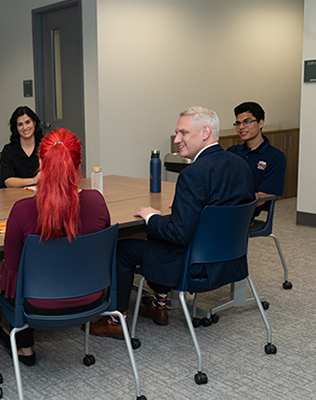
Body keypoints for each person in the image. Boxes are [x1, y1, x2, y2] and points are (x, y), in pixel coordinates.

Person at [90, 106, 255, 337]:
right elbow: (228, 206)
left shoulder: (193, 174)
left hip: (193, 266)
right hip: (230, 261)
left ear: (205, 132)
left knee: (122, 248)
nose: (177, 139)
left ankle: (116, 321)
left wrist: (151, 216)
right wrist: (189, 209)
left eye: (183, 133)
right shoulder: (240, 164)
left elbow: (179, 234)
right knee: (156, 235)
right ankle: (158, 306)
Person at [0, 128, 110, 365]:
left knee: (11, 276)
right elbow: (102, 255)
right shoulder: (97, 202)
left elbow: (12, 267)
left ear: (40, 162)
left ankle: (25, 348)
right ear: (78, 163)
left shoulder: (22, 210)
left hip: (38, 305)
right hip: (92, 299)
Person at [226, 101, 286, 202]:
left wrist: (233, 201)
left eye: (247, 121)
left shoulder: (275, 157)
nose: (241, 127)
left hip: (243, 210)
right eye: (238, 123)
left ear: (260, 123)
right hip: (225, 205)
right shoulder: (232, 152)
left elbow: (265, 195)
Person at [0, 106, 45, 188]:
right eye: (20, 124)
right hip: (16, 196)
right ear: (16, 128)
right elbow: (8, 181)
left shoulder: (46, 147)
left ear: (34, 122)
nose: (25, 127)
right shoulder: (8, 151)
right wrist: (33, 180)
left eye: (28, 122)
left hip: (43, 195)